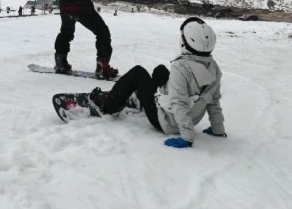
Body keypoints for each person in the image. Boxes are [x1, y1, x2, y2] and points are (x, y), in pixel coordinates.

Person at [86, 17, 226, 149]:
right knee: (160, 72)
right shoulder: (214, 68)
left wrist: (187, 138)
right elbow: (213, 101)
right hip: (191, 118)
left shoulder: (181, 67)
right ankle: (141, 97)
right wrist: (218, 128)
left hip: (165, 121)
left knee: (137, 73)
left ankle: (107, 105)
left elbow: (179, 102)